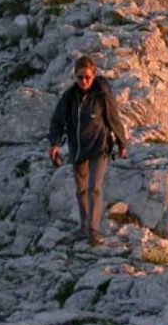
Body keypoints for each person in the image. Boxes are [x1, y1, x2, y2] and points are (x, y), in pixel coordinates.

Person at [48, 56, 128, 246]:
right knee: (81, 190)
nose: (83, 81)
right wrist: (55, 144)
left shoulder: (102, 95)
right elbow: (57, 121)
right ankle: (83, 228)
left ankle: (93, 231)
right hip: (78, 149)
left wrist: (121, 143)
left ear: (94, 75)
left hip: (99, 147)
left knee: (94, 188)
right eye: (79, 78)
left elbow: (113, 118)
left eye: (87, 77)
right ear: (74, 77)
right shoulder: (69, 97)